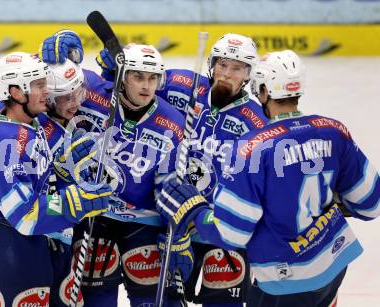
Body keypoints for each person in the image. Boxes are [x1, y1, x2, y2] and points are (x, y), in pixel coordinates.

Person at [155, 49, 380, 307]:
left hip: (282, 278)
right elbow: (371, 204)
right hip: (334, 262)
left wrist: (195, 210)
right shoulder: (333, 130)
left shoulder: (250, 148)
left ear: (262, 91)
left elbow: (232, 233)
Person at [97, 33, 266, 306]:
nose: (226, 74)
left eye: (236, 68)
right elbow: (140, 82)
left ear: (248, 74)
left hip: (220, 227)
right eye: (222, 65)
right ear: (211, 64)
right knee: (167, 300)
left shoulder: (256, 121)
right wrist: (113, 70)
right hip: (176, 223)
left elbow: (260, 182)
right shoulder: (182, 86)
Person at [41, 34, 190, 306]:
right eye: (138, 77)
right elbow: (49, 81)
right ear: (122, 77)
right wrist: (57, 50)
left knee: (153, 299)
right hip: (96, 214)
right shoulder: (95, 91)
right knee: (97, 298)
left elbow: (170, 184)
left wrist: (178, 232)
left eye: (152, 78)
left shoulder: (171, 122)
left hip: (143, 220)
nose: (146, 87)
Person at [0, 51, 111, 307]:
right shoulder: (8, 143)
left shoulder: (22, 120)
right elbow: (24, 213)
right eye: (39, 85)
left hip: (39, 239)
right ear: (17, 93)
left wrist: (61, 168)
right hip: (13, 244)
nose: (47, 92)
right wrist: (76, 200)